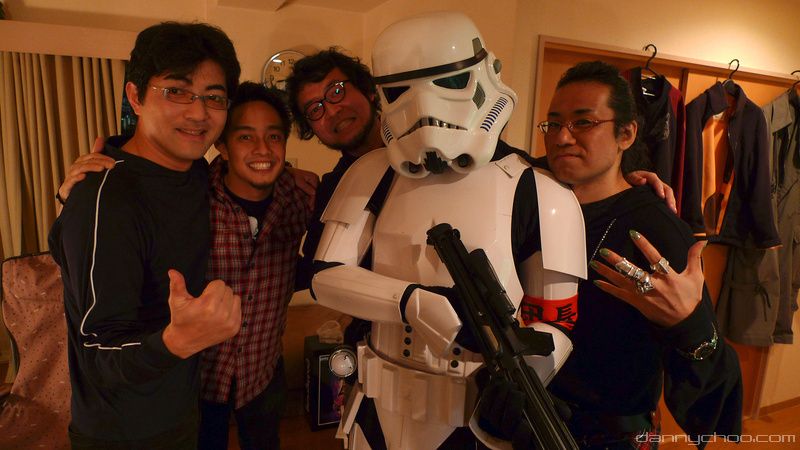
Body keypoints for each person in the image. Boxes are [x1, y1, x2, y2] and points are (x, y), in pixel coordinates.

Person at [309, 12, 586, 449]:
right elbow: (324, 276)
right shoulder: (370, 172)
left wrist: (521, 388)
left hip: (471, 421)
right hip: (374, 408)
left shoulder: (542, 192)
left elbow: (557, 321)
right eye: (400, 91)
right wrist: (412, 302)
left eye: (450, 82)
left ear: (487, 73)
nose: (423, 109)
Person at [479, 61, 743, 449]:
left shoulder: (657, 230)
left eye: (583, 122)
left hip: (607, 436)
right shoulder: (524, 195)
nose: (562, 137)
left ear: (626, 134)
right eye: (553, 124)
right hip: (514, 422)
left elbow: (712, 399)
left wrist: (690, 324)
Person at [48, 22, 242, 449]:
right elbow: (97, 353)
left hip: (180, 410)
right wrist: (176, 341)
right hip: (122, 431)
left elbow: (70, 250)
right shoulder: (105, 196)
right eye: (177, 91)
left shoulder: (196, 173)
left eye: (214, 97)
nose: (199, 113)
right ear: (135, 96)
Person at [197, 82, 312, 449]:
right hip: (199, 375)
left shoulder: (301, 199)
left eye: (273, 137)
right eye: (246, 137)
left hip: (262, 370)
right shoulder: (192, 197)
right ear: (223, 145)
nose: (263, 149)